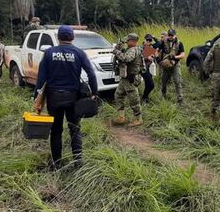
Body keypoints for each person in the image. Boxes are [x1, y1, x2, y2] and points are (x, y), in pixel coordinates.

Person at [34, 25, 98, 169]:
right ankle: (78, 162)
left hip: (54, 97)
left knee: (56, 131)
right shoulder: (79, 53)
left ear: (58, 37)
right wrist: (94, 92)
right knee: (75, 129)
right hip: (73, 97)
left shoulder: (49, 52)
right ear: (72, 37)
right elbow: (91, 74)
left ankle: (57, 163)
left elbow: (41, 77)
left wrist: (36, 97)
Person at [112, 33, 144, 127]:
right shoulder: (129, 49)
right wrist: (118, 46)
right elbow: (122, 51)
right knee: (118, 95)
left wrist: (116, 52)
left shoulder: (133, 50)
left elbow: (126, 58)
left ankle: (138, 119)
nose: (126, 41)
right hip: (125, 78)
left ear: (133, 41)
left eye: (128, 40)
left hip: (131, 78)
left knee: (134, 99)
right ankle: (121, 117)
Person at [157, 29, 185, 103]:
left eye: (172, 35)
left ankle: (180, 98)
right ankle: (163, 96)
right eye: (169, 35)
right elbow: (157, 51)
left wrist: (175, 57)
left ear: (175, 35)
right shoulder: (164, 42)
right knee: (164, 81)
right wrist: (158, 60)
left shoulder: (179, 43)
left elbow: (182, 55)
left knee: (177, 81)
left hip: (175, 64)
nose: (170, 36)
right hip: (166, 64)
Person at [141, 33, 159, 103]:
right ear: (144, 40)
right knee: (151, 85)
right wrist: (147, 58)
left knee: (147, 84)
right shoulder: (140, 47)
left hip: (150, 68)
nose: (148, 41)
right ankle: (144, 97)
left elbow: (159, 43)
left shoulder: (151, 47)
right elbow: (138, 59)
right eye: (147, 40)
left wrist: (154, 37)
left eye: (150, 40)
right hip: (143, 68)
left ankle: (146, 98)